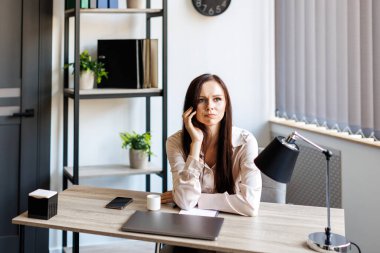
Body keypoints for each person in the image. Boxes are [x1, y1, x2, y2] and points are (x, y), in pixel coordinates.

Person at [161, 73, 262, 216]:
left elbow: (250, 205)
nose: (210, 107)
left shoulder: (246, 142)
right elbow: (185, 202)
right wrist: (195, 144)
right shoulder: (174, 142)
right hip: (190, 224)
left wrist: (197, 199)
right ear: (191, 106)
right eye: (201, 100)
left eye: (217, 99)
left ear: (226, 104)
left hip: (235, 224)